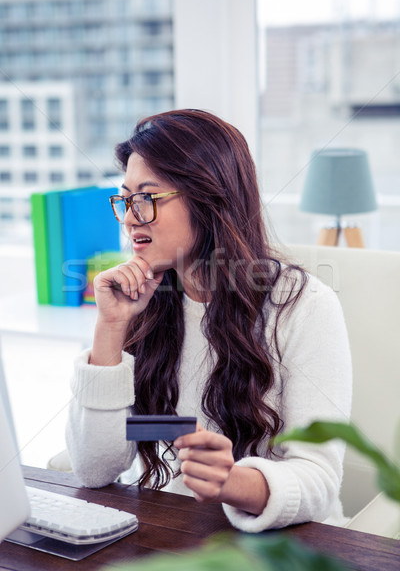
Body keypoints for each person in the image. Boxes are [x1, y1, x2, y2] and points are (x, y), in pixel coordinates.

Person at [66, 109, 352, 532]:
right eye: (125, 199)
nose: (129, 217)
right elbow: (94, 470)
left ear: (208, 197)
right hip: (175, 533)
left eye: (147, 198)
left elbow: (319, 481)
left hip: (281, 544)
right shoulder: (141, 303)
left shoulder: (304, 305)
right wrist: (110, 329)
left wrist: (231, 482)